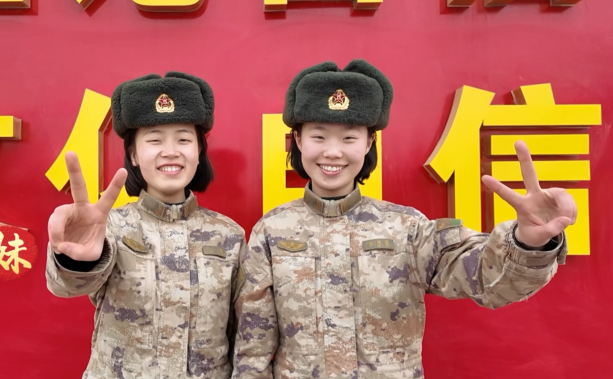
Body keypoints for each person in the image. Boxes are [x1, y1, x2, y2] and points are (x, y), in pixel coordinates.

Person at [232, 59, 575, 378]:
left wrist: (527, 242)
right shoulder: (272, 231)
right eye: (318, 136)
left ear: (369, 142)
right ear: (297, 140)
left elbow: (486, 280)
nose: (332, 152)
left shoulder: (407, 229)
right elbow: (253, 348)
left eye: (349, 137)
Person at [46, 71, 246, 378]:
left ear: (199, 151)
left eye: (183, 139)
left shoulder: (229, 236)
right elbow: (65, 286)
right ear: (134, 154)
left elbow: (244, 332)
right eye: (154, 140)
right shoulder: (111, 227)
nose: (171, 151)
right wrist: (74, 259)